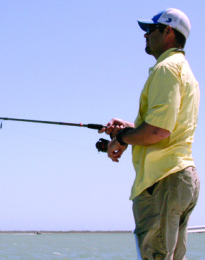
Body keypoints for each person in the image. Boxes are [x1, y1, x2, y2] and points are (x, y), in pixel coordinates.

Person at [99, 8, 200, 259]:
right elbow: (163, 127)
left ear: (167, 31)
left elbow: (158, 130)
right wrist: (131, 130)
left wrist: (121, 138)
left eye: (150, 29)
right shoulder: (184, 70)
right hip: (181, 178)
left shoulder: (166, 69)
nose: (145, 36)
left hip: (162, 180)